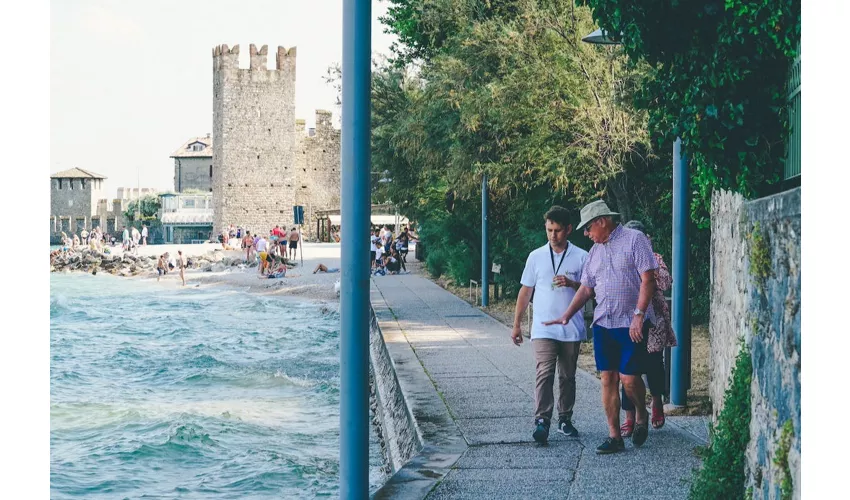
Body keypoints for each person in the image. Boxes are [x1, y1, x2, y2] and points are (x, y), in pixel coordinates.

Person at [544, 200, 658, 454]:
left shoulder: (634, 240)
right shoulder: (595, 251)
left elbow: (648, 279)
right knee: (607, 379)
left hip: (631, 323)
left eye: (588, 228)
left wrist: (639, 315)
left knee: (629, 379)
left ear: (602, 222)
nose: (586, 234)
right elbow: (586, 288)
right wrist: (567, 314)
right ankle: (614, 436)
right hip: (604, 323)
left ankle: (641, 413)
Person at [511, 206, 588, 445]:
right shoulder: (536, 256)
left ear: (568, 230)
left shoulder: (582, 256)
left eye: (557, 230)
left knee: (567, 376)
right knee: (544, 372)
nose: (552, 235)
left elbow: (589, 291)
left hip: (571, 327)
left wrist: (572, 283)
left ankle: (565, 418)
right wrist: (516, 324)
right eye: (549, 230)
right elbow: (525, 291)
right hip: (543, 327)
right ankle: (542, 420)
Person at [619, 220, 677, 436]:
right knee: (627, 367)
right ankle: (630, 416)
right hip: (627, 318)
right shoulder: (622, 258)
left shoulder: (655, 258)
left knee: (653, 363)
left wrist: (646, 265)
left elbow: (664, 282)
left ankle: (657, 402)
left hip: (653, 322)